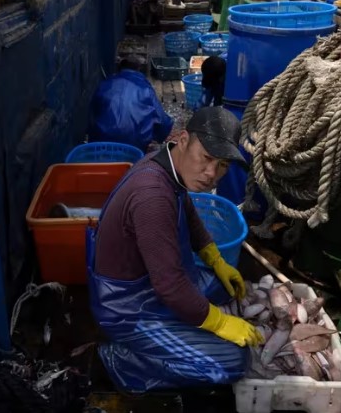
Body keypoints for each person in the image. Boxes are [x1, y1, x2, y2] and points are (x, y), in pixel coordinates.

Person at [87, 107, 263, 392]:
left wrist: (215, 258)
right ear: (183, 140)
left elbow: (189, 212)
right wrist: (219, 323)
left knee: (222, 286)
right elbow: (170, 286)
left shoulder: (167, 164)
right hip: (127, 308)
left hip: (149, 284)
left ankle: (181, 326)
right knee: (233, 362)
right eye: (206, 158)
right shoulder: (152, 195)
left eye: (222, 166)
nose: (211, 174)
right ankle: (119, 362)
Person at [88, 57, 173, 151]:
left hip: (102, 142)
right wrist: (160, 137)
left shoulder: (104, 84)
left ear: (120, 69)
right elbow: (163, 121)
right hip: (135, 144)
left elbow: (93, 114)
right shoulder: (146, 89)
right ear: (139, 70)